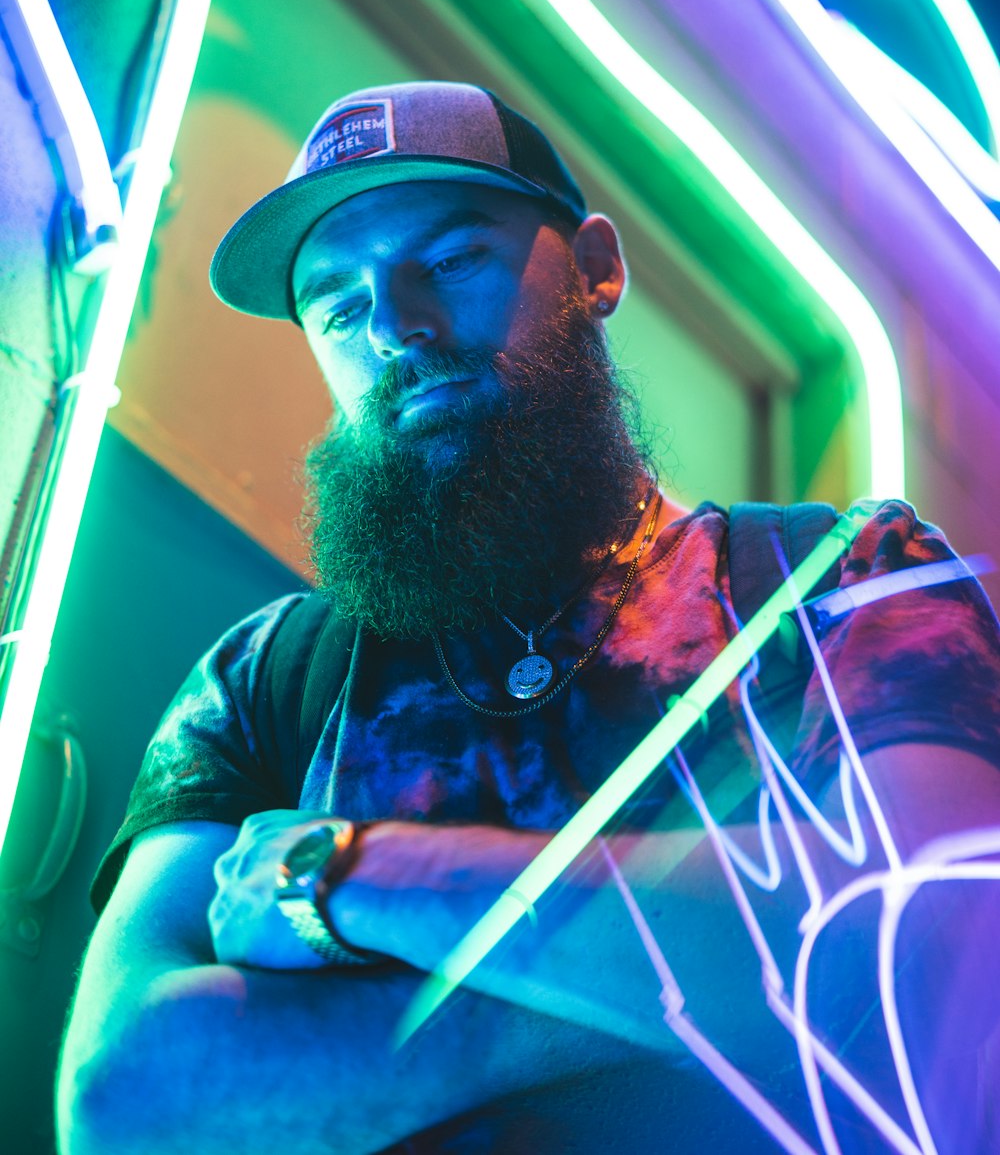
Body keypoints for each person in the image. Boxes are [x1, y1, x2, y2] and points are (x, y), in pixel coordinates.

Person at [57, 82, 1000, 1154]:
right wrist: (677, 983)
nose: (398, 327)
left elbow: (936, 954)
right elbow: (125, 1102)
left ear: (596, 268)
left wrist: (356, 871)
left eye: (452, 261)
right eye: (336, 303)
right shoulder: (268, 677)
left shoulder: (842, 579)